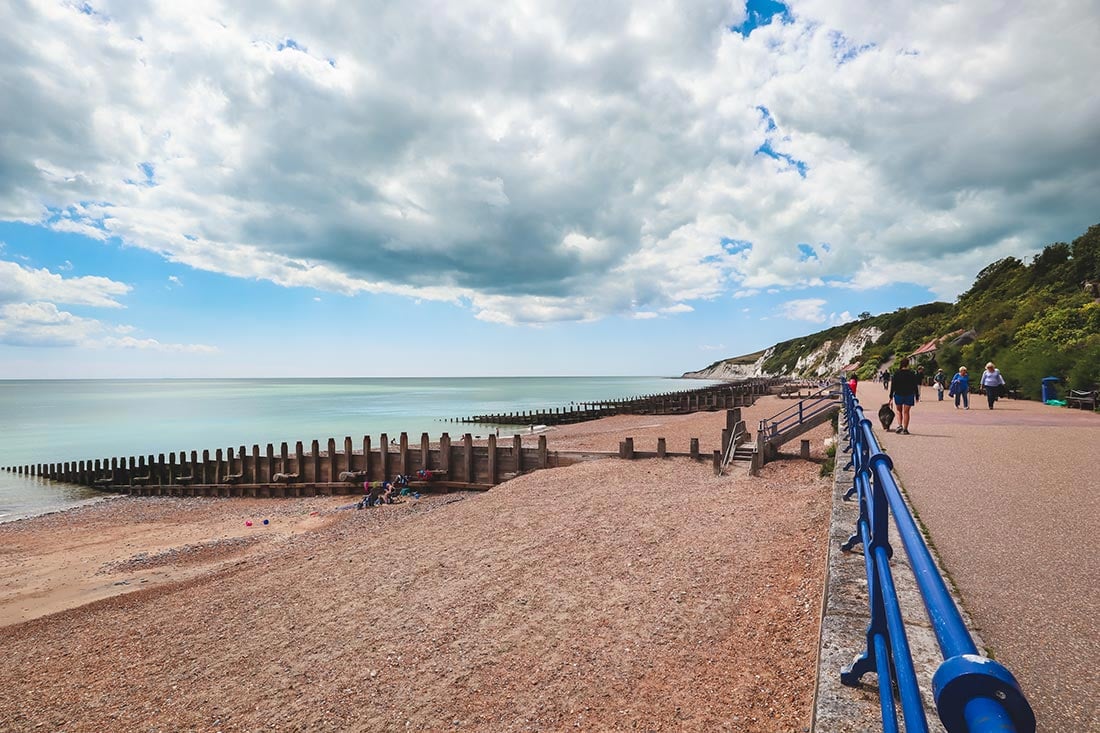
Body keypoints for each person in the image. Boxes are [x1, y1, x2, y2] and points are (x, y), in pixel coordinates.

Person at [888, 357, 920, 434]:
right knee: (906, 412)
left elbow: (893, 385)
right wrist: (917, 395)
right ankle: (905, 429)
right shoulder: (912, 374)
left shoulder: (896, 373)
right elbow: (915, 385)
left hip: (898, 394)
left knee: (899, 411)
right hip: (909, 394)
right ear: (908, 364)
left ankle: (900, 425)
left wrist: (891, 396)